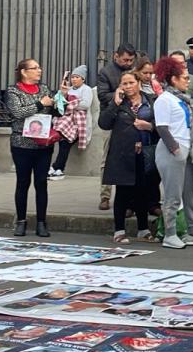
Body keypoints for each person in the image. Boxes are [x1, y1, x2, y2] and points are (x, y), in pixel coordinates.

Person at [153, 56, 193, 249]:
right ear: (173, 79)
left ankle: (192, 231)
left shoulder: (182, 99)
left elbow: (186, 122)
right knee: (173, 195)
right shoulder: (164, 99)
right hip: (174, 150)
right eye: (185, 78)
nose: (188, 81)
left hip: (188, 149)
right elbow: (162, 128)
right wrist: (175, 149)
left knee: (192, 193)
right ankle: (170, 234)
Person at [6, 57, 64, 237]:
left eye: (40, 67)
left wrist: (61, 98)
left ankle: (41, 222)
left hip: (43, 144)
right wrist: (40, 103)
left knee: (41, 183)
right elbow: (17, 113)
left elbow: (54, 112)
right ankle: (21, 221)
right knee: (23, 182)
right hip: (21, 144)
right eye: (35, 68)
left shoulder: (45, 89)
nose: (39, 70)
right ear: (24, 72)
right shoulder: (13, 91)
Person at [100, 71, 157, 244]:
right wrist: (115, 104)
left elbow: (161, 124)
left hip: (145, 153)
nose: (128, 86)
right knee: (123, 192)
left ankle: (143, 228)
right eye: (124, 84)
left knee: (143, 191)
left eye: (131, 82)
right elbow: (104, 123)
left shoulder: (151, 101)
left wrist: (148, 126)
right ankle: (119, 230)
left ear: (139, 83)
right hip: (122, 153)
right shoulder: (118, 102)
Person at [96, 43, 137, 210]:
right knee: (107, 158)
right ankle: (105, 195)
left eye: (131, 60)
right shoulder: (106, 72)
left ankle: (130, 199)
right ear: (116, 56)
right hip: (111, 118)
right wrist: (121, 92)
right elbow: (102, 95)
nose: (128, 63)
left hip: (131, 118)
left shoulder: (134, 71)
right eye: (125, 59)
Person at [49, 65, 93, 180]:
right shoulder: (68, 89)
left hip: (78, 122)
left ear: (83, 79)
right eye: (72, 77)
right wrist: (63, 94)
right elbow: (57, 101)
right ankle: (58, 169)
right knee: (64, 143)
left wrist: (69, 104)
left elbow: (85, 104)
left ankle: (57, 168)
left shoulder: (86, 89)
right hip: (66, 121)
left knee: (65, 143)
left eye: (77, 77)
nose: (73, 79)